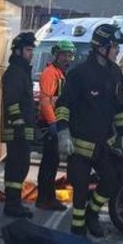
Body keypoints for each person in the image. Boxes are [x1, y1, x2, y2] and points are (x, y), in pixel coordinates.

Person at [55, 23, 123, 236]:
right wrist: (63, 133)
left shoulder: (115, 73)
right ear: (102, 48)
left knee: (112, 179)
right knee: (80, 189)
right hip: (80, 146)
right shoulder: (79, 73)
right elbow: (63, 105)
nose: (117, 51)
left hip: (103, 144)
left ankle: (92, 214)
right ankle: (77, 230)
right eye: (114, 47)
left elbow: (121, 106)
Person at [0, 32, 38, 218]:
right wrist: (19, 124)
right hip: (17, 130)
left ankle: (14, 203)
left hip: (21, 130)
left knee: (20, 166)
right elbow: (12, 101)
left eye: (31, 50)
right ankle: (12, 205)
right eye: (28, 50)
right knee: (17, 166)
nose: (31, 54)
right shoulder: (15, 73)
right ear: (18, 51)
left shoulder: (21, 72)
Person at [36, 40, 76, 211]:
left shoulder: (60, 74)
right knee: (49, 162)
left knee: (52, 162)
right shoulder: (50, 73)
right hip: (50, 123)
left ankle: (47, 197)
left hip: (55, 122)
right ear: (56, 55)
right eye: (64, 55)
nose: (67, 59)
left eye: (70, 55)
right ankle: (45, 198)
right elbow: (45, 101)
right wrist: (53, 123)